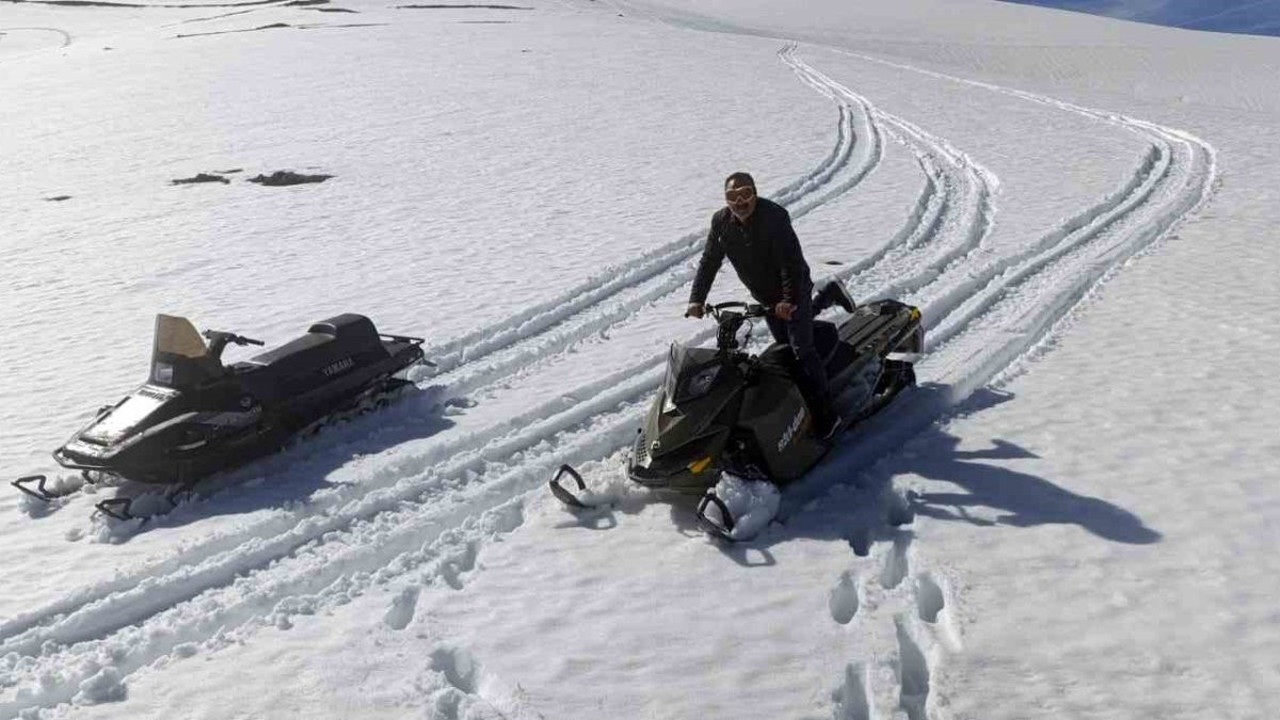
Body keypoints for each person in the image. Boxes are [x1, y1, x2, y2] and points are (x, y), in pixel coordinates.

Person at [685, 172, 851, 439]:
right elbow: (709, 261)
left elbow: (790, 263)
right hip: (765, 297)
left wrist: (788, 301)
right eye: (732, 196)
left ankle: (826, 414)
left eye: (746, 194)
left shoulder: (774, 217)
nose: (740, 201)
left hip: (792, 290)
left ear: (755, 193)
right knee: (786, 340)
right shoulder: (721, 222)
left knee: (800, 350)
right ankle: (829, 295)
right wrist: (697, 299)